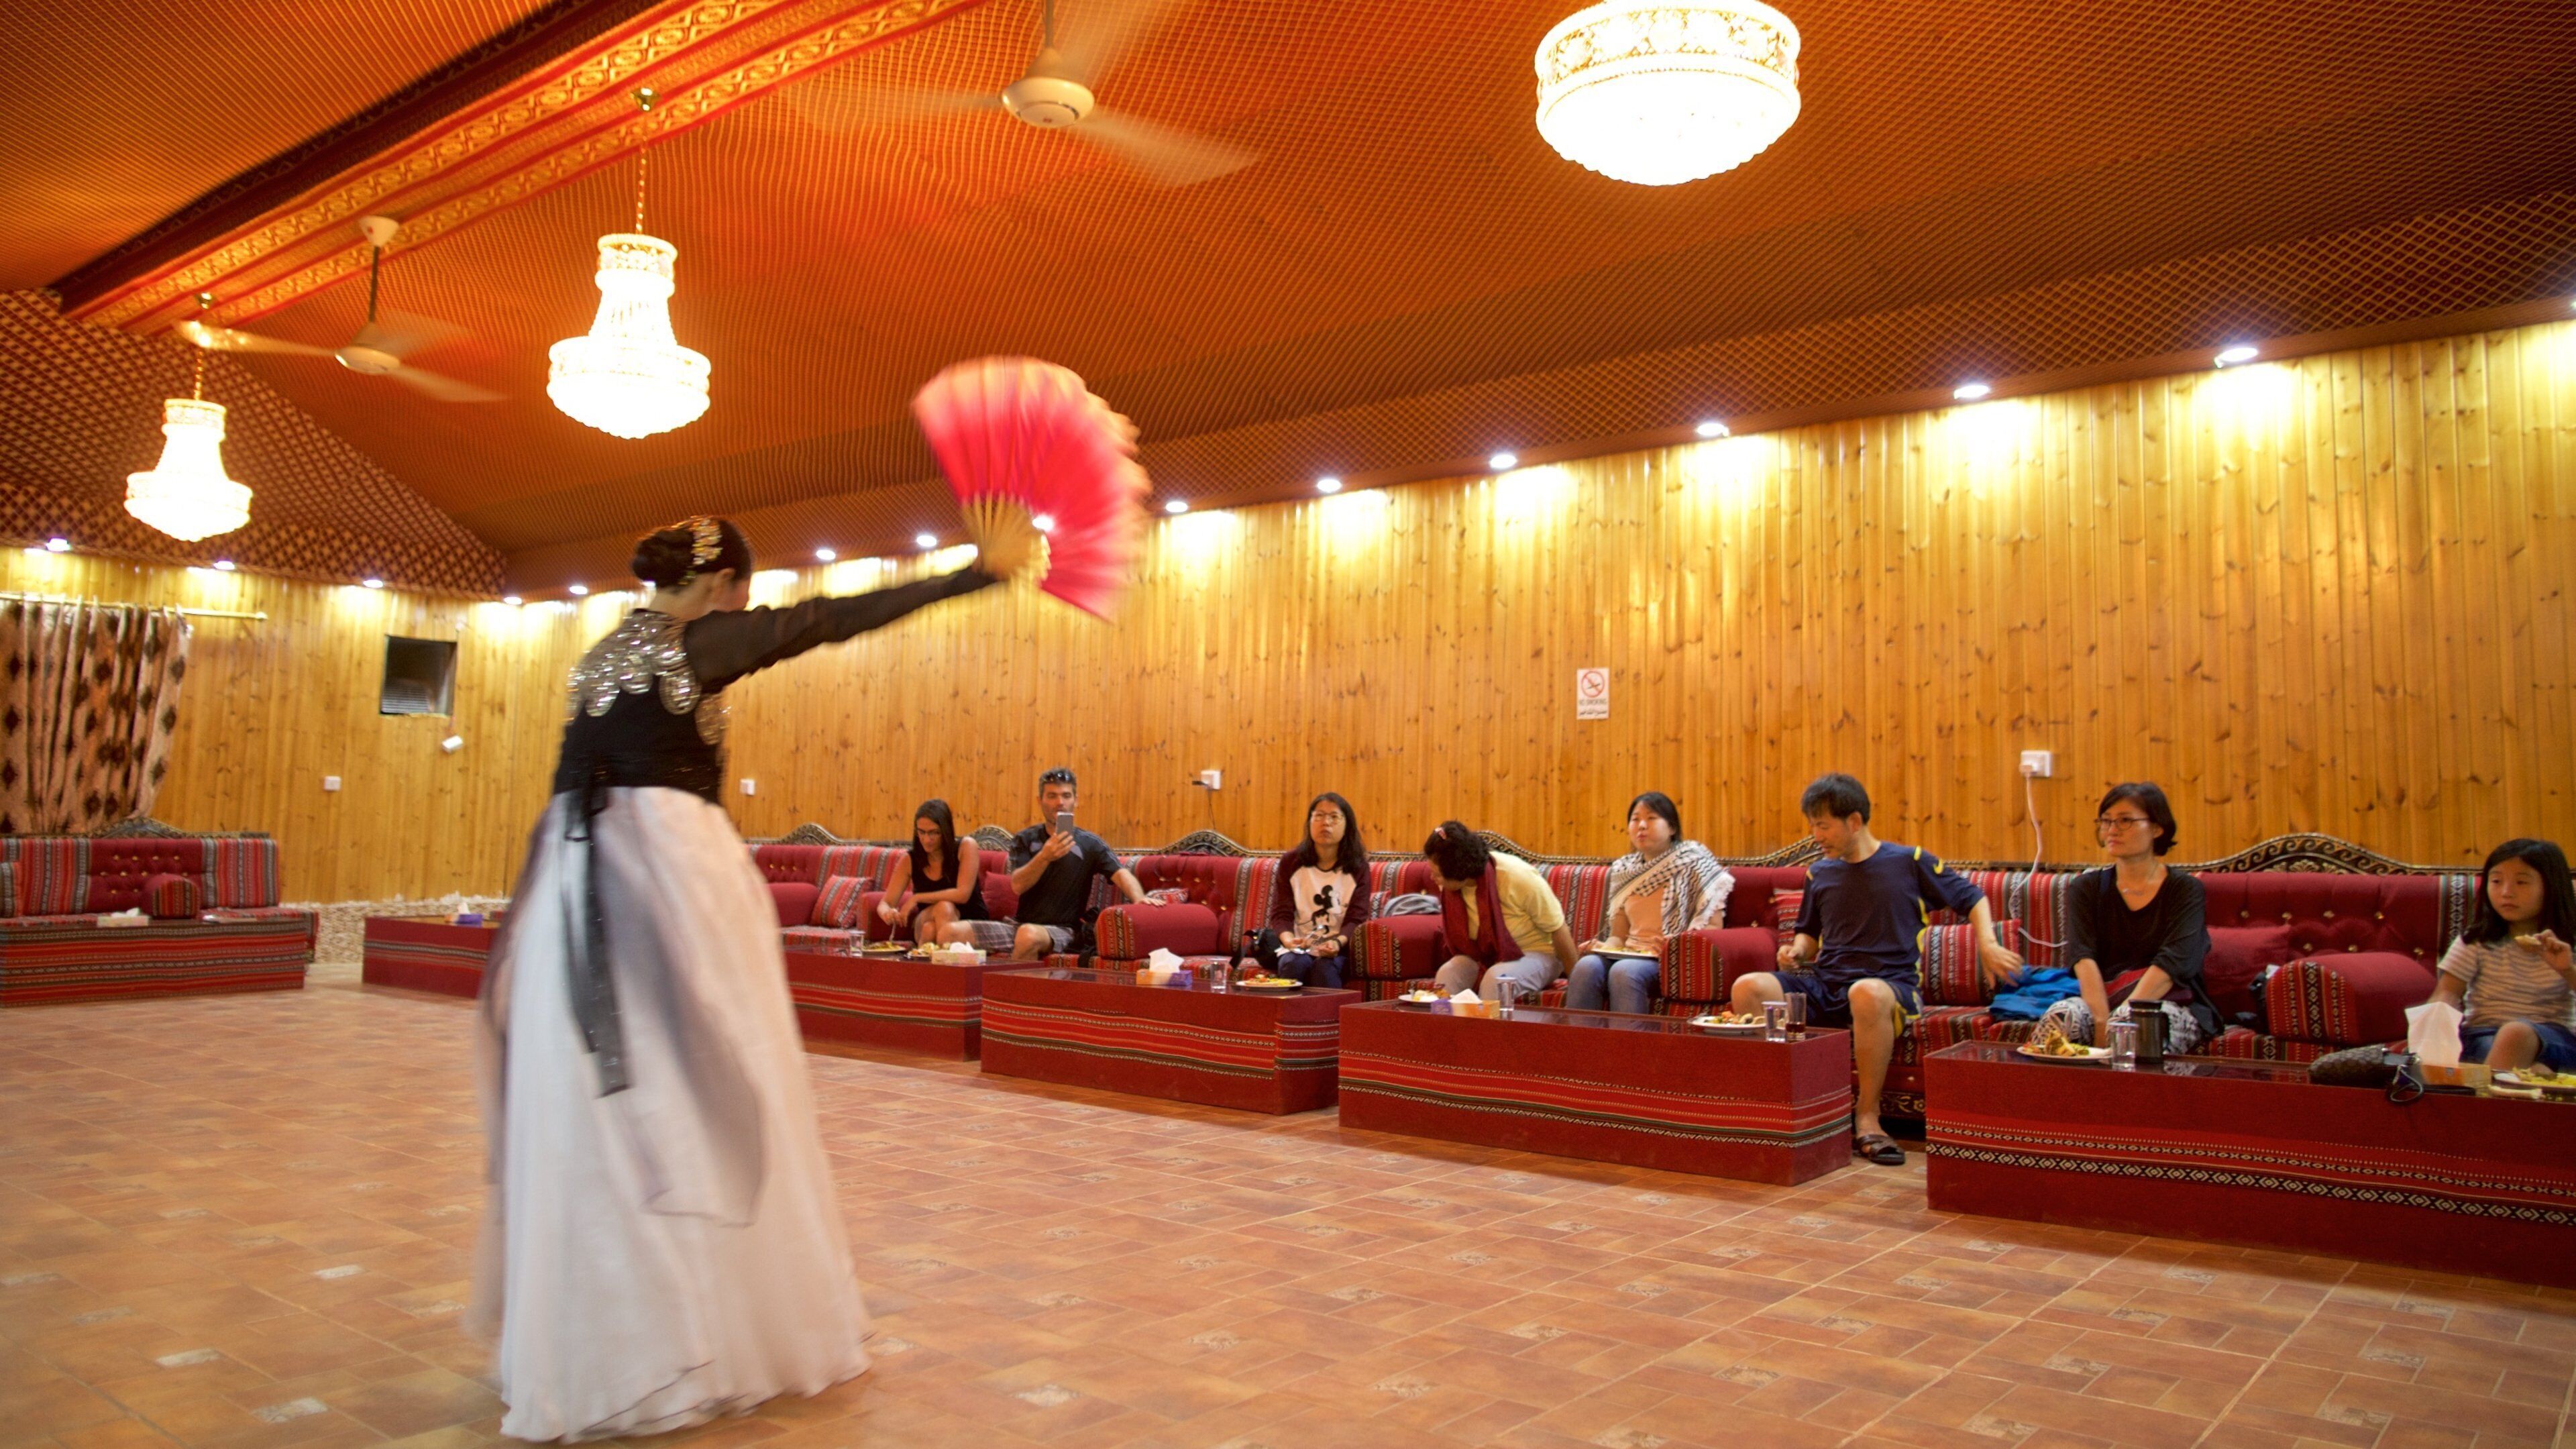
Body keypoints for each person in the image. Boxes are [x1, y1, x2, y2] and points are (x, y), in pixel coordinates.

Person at [472, 516, 1026, 1440]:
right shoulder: (699, 642)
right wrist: (977, 575)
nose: (746, 605)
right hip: (666, 877)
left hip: (572, 880)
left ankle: (602, 1332)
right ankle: (687, 1329)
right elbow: (828, 619)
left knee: (597, 1100)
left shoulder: (600, 653)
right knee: (703, 1083)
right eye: (740, 589)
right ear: (719, 579)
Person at [1729, 773, 2021, 1167]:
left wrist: (1987, 944)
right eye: (1812, 825)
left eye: (1823, 825)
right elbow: (1809, 934)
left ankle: (1868, 1118)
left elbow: (1972, 898)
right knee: (1748, 988)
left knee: (1864, 992)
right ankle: (1789, 1108)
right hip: (1827, 984)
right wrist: (1795, 951)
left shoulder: (1909, 862)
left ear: (1853, 822)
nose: (1816, 835)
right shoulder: (1821, 873)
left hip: (1890, 988)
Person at [2030, 782, 2218, 1053]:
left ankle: (2125, 1096)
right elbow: (2082, 957)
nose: (2112, 829)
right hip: (2102, 999)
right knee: (2062, 1016)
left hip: (2169, 1002)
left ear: (2157, 828)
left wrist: (2116, 1023)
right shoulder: (2086, 888)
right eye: (2106, 821)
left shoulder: (2185, 889)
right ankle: (2044, 1095)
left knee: (2130, 1025)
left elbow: (2173, 964)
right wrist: (2101, 1020)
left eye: (2126, 820)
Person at [947, 767, 1157, 960]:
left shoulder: (1089, 843)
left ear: (1076, 800)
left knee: (1027, 936)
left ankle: (1013, 998)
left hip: (1063, 931)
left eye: (1066, 796)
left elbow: (1121, 874)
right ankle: (969, 997)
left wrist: (1139, 899)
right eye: (1052, 796)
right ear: (1040, 801)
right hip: (1019, 926)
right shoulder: (1025, 839)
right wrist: (1045, 856)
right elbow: (1018, 885)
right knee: (950, 932)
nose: (1060, 802)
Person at [1564, 792, 1732, 1013]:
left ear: (1672, 828)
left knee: (1624, 971)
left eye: (1651, 818)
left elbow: (1714, 928)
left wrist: (1677, 942)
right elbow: (1619, 937)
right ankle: (1579, 1047)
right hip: (1630, 953)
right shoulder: (1624, 871)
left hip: (1672, 959)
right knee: (1586, 966)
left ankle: (1632, 1048)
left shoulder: (1696, 863)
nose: (1641, 825)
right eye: (1635, 819)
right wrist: (1602, 947)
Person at [2426, 837, 2576, 1074]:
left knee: (2516, 1033)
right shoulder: (2476, 940)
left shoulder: (2569, 943)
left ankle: (2486, 1105)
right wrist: (2433, 1025)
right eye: (2496, 881)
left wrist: (2567, 970)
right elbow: (2447, 992)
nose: (2506, 892)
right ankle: (2530, 1077)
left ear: (2551, 886)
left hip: (2555, 1040)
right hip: (2482, 1036)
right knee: (2535, 1069)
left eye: (2521, 882)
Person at [1426, 820, 1579, 1002]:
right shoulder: (1452, 887)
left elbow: (1558, 929)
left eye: (1438, 874)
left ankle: (1489, 1032)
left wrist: (1577, 984)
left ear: (1460, 872)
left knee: (1496, 979)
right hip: (1485, 955)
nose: (1432, 878)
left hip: (1538, 953)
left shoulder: (1516, 876)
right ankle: (1450, 1031)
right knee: (1447, 974)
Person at [1246, 792, 1373, 987]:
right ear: (1309, 822)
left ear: (1347, 825)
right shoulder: (1291, 862)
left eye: (1334, 817)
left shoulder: (1358, 867)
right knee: (1292, 963)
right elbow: (1281, 913)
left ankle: (1329, 1019)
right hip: (1299, 946)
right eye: (1319, 816)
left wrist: (1337, 943)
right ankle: (1287, 1018)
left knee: (1324, 969)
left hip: (1338, 948)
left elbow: (1357, 918)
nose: (1326, 823)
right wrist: (1288, 940)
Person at [874, 799, 987, 943]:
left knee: (930, 929)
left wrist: (917, 898)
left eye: (934, 833)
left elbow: (962, 894)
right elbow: (885, 903)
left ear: (945, 831)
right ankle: (947, 960)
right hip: (928, 916)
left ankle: (928, 962)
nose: (927, 839)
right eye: (921, 832)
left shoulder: (966, 847)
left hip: (970, 923)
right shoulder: (910, 859)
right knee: (944, 908)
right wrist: (888, 913)